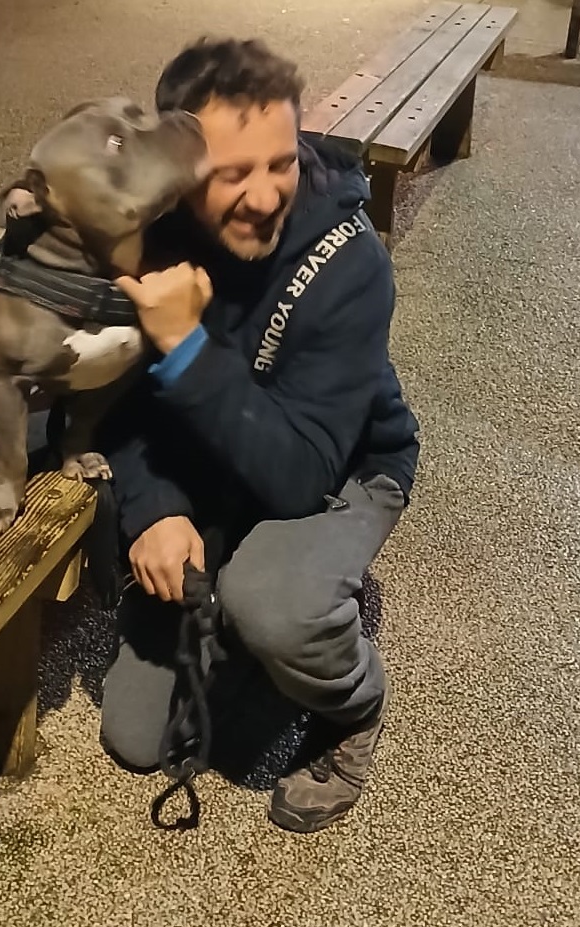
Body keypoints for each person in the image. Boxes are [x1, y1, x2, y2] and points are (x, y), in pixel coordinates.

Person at [96, 36, 421, 834]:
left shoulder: (350, 260)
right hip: (217, 454)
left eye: (278, 161)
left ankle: (352, 704)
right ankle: (243, 628)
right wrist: (155, 507)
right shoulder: (154, 228)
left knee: (271, 602)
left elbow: (297, 473)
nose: (265, 194)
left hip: (341, 464)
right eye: (230, 173)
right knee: (135, 738)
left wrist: (186, 345)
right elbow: (122, 397)